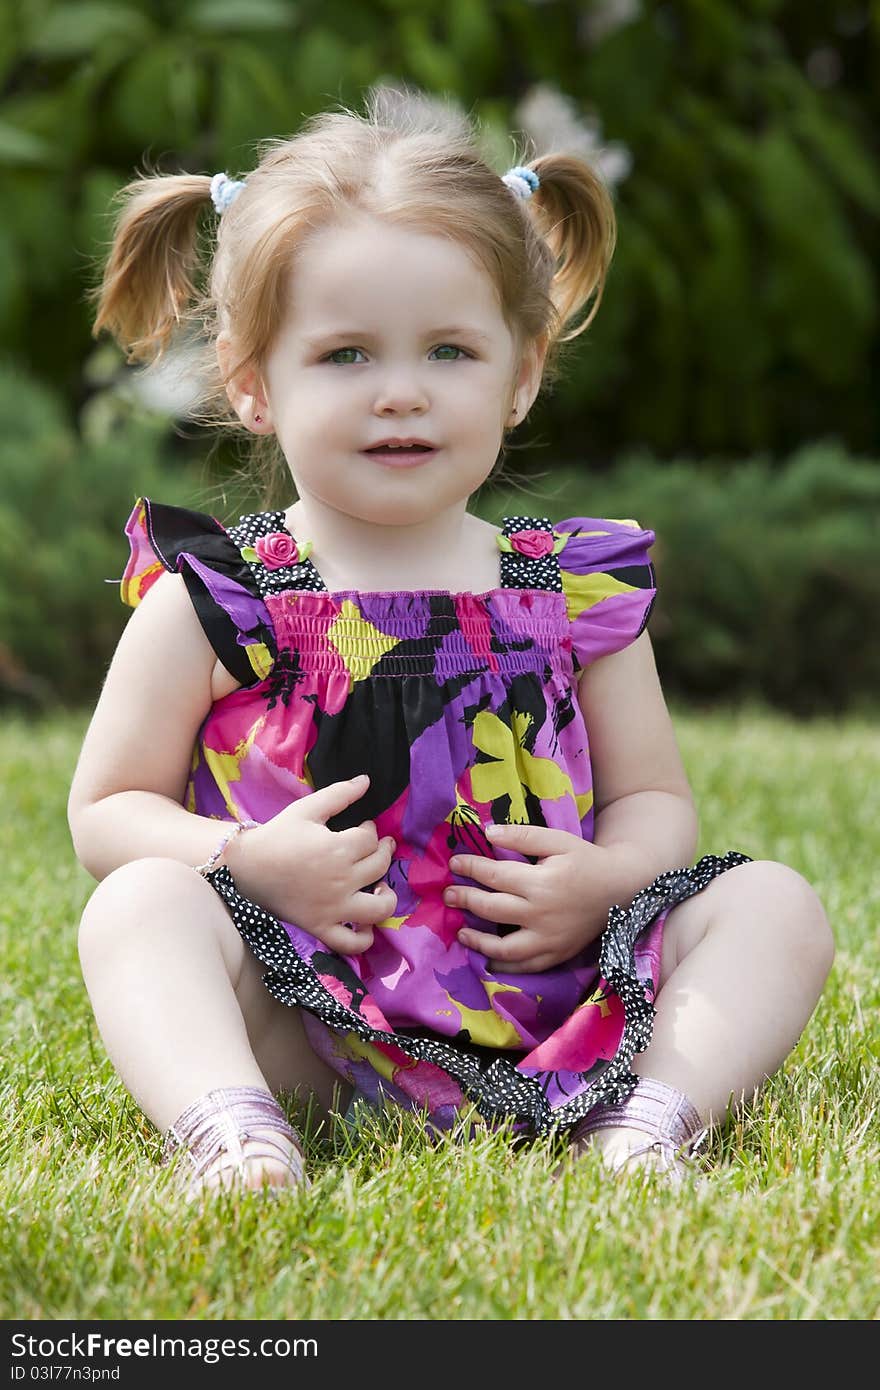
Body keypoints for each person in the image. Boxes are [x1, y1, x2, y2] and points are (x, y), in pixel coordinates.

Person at [68, 85, 833, 1197]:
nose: (400, 395)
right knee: (137, 906)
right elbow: (106, 812)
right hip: (312, 1022)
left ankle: (646, 1115)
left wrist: (606, 879)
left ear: (519, 373)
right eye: (344, 356)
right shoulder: (220, 595)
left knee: (774, 903)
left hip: (562, 1006)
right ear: (251, 383)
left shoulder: (572, 591)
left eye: (448, 352)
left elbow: (657, 802)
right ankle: (235, 1131)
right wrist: (244, 862)